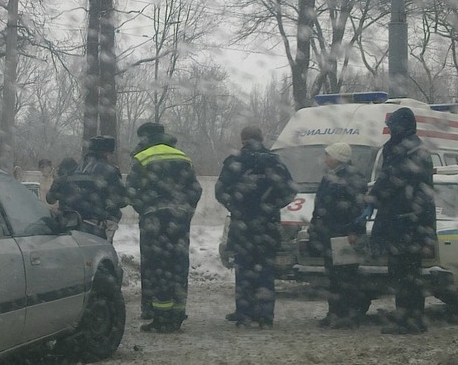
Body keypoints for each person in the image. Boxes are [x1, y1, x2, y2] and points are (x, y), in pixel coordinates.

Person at [215, 125, 295, 328]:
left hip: (243, 225)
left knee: (244, 269)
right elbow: (290, 191)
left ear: (242, 139)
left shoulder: (234, 162)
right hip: (268, 225)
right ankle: (265, 315)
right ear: (261, 138)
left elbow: (220, 191)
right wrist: (271, 206)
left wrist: (236, 206)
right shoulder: (274, 161)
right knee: (266, 270)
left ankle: (245, 314)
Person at [127, 122, 202, 333]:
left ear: (145, 137)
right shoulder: (182, 157)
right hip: (180, 220)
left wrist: (145, 209)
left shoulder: (142, 158)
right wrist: (186, 210)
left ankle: (161, 317)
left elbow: (130, 190)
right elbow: (196, 190)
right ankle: (178, 314)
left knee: (157, 265)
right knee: (178, 264)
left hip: (154, 220)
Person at [368, 107, 436, 335]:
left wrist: (373, 198)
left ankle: (408, 319)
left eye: (392, 126)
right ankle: (411, 319)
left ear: (402, 126)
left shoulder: (409, 151)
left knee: (404, 274)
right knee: (407, 275)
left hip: (405, 222)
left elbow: (391, 179)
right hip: (408, 221)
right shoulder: (407, 148)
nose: (389, 130)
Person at [308, 142, 368, 328]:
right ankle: (334, 312)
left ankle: (348, 314)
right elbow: (321, 205)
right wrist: (315, 227)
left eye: (328, 155)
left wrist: (354, 230)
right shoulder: (329, 177)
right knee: (333, 276)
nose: (325, 159)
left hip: (344, 233)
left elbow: (359, 207)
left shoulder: (353, 177)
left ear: (338, 157)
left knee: (346, 276)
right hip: (329, 232)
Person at [60, 136, 126, 241]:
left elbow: (61, 196)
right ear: (107, 153)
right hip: (95, 229)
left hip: (69, 226)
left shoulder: (73, 170)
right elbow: (121, 200)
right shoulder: (109, 171)